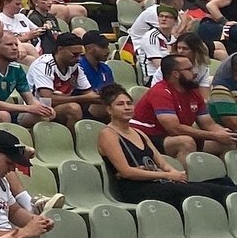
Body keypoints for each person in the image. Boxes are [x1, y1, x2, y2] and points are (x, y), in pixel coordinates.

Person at [94, 83, 237, 205]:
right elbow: (126, 171)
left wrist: (173, 172)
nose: (127, 107)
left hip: (156, 182)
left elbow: (162, 163)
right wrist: (167, 176)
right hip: (134, 188)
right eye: (120, 104)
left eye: (129, 103)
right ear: (109, 109)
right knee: (201, 192)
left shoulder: (139, 133)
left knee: (224, 184)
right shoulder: (108, 134)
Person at [130, 51, 235, 158]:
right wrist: (214, 135)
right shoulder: (161, 92)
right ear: (176, 74)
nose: (195, 72)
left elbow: (208, 124)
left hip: (170, 137)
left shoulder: (193, 92)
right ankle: (184, 175)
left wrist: (226, 134)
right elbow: (174, 129)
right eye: (189, 69)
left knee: (229, 143)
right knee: (185, 142)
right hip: (145, 138)